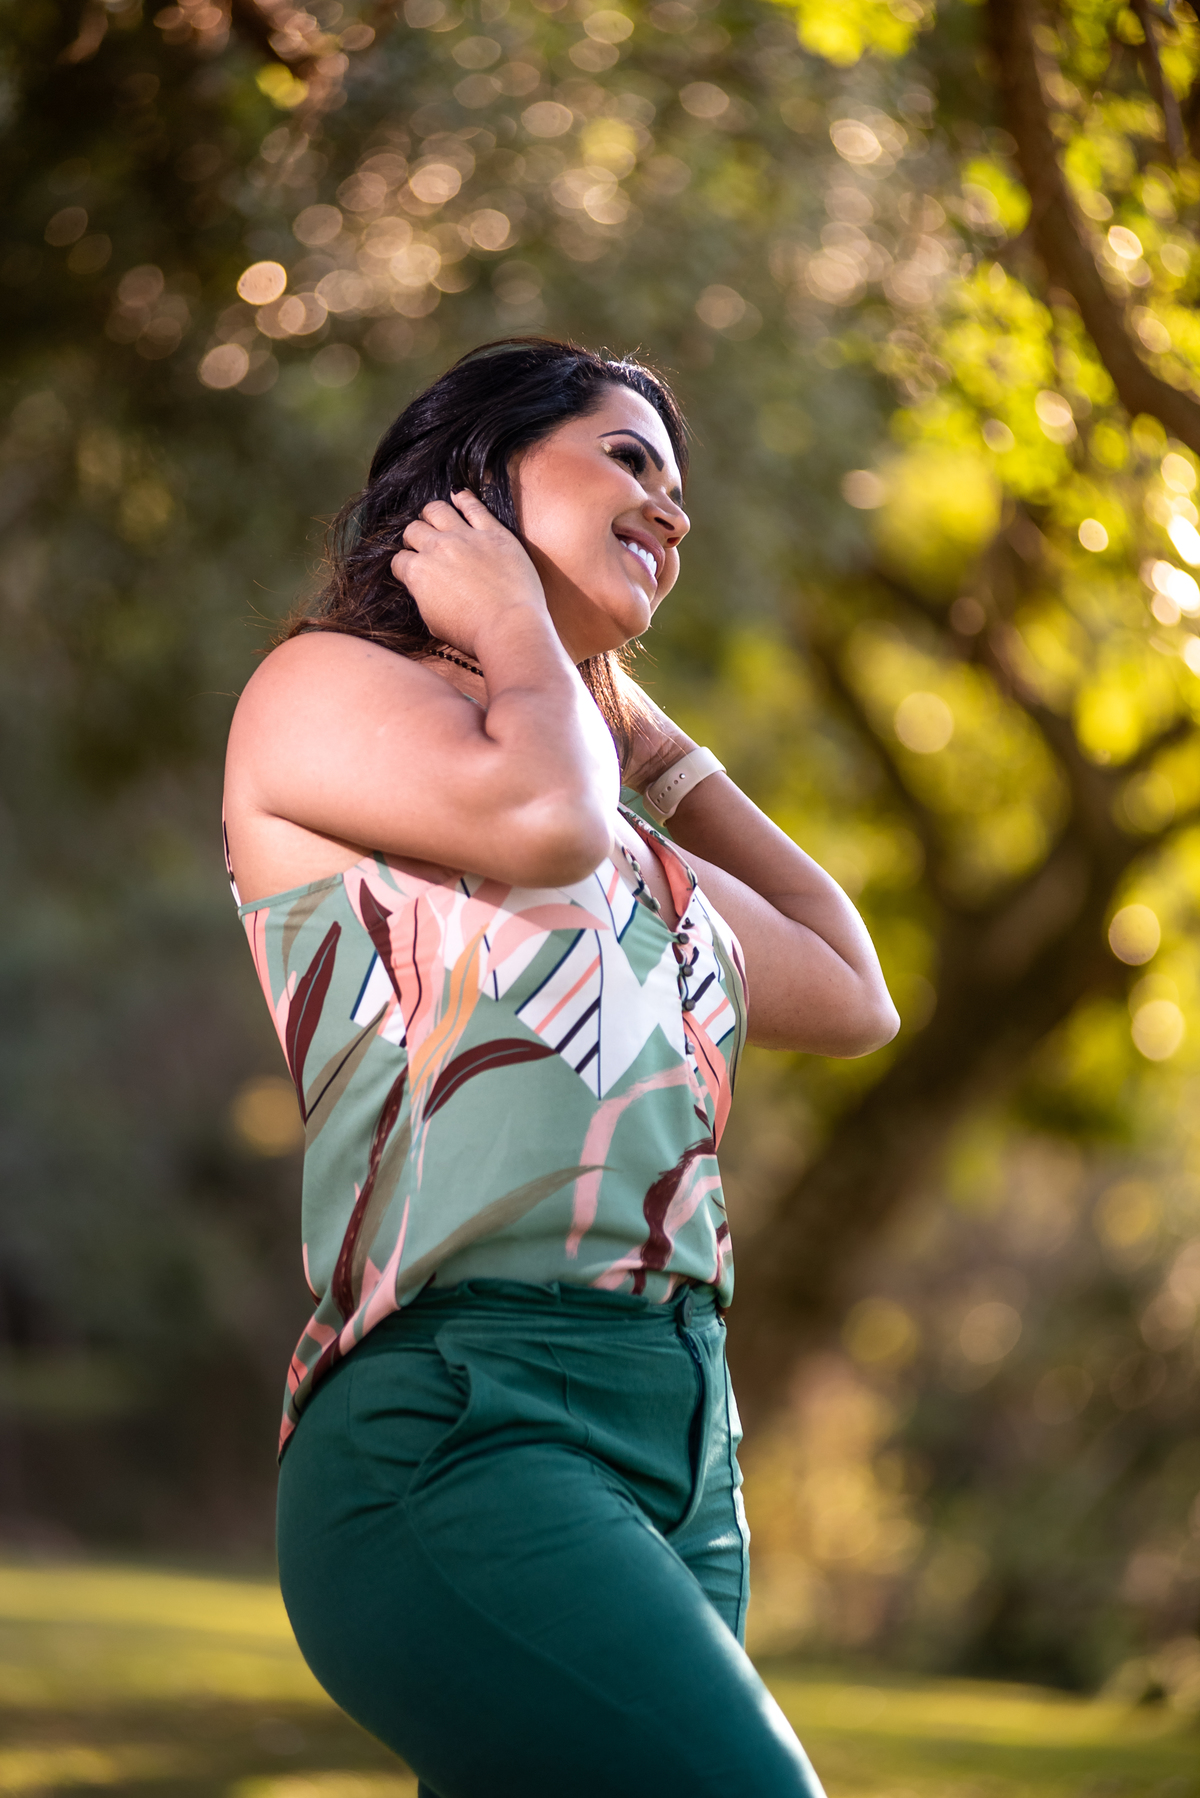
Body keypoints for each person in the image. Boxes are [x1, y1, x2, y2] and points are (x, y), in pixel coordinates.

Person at [222, 337, 899, 1798]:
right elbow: (545, 822)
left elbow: (855, 993)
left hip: (682, 1437)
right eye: (627, 457)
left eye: (679, 483)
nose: (673, 507)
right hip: (464, 1418)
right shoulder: (319, 691)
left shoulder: (628, 845)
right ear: (481, 478)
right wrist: (523, 635)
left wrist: (658, 748)